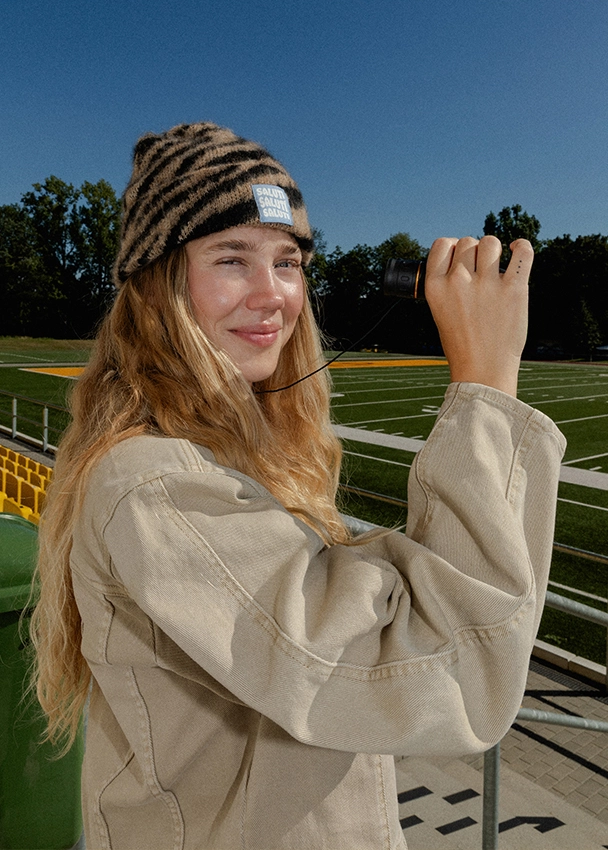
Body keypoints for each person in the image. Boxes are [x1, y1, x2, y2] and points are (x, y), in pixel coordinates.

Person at [31, 122, 566, 850]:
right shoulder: (155, 484)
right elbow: (453, 667)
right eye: (231, 258)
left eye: (288, 261)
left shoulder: (226, 460)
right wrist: (487, 382)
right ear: (158, 284)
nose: (272, 294)